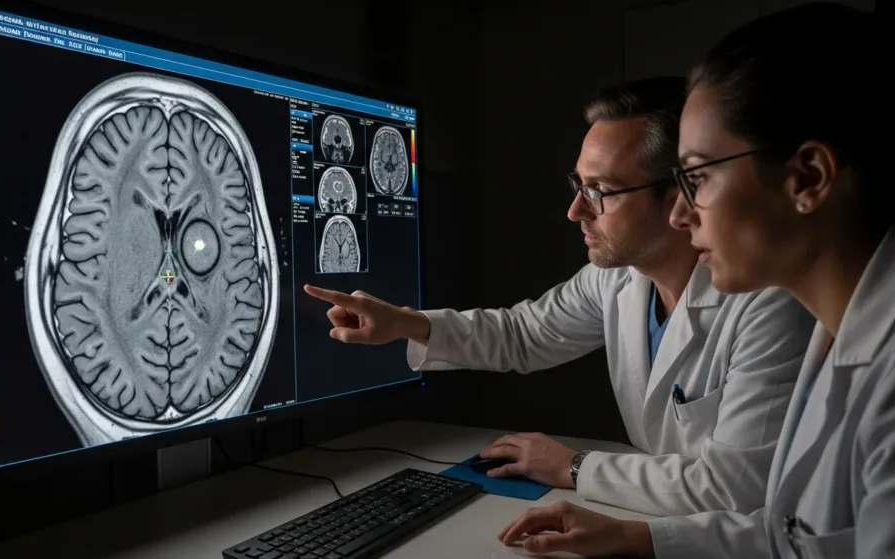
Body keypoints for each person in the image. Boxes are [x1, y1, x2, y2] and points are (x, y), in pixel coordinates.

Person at [497, 3, 895, 558]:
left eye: (698, 177)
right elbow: (810, 537)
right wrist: (643, 538)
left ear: (808, 177)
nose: (682, 215)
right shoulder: (850, 329)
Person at [304, 77, 815, 517]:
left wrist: (571, 466)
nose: (575, 210)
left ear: (678, 194)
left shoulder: (767, 303)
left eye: (600, 191)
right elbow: (524, 334)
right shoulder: (619, 280)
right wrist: (404, 323)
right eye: (578, 183)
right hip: (664, 520)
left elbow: (735, 489)